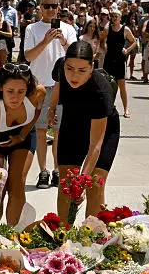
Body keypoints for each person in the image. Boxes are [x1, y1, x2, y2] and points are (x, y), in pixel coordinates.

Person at [47, 42, 119, 221]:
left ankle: (93, 237)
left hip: (104, 131)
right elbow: (58, 84)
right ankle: (63, 235)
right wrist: (51, 108)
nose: (74, 75)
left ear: (92, 66)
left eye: (82, 70)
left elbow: (95, 145)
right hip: (72, 124)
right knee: (66, 183)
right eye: (70, 68)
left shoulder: (101, 91)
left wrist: (83, 180)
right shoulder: (61, 69)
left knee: (94, 183)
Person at [0, 64, 46, 224]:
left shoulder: (38, 92)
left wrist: (22, 135)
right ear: (1, 88)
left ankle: (12, 232)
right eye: (10, 91)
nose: (15, 97)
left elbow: (36, 112)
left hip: (24, 136)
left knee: (17, 182)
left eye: (21, 92)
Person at [22, 0, 78, 190]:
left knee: (59, 131)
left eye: (54, 6)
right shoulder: (32, 29)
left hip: (61, 85)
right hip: (38, 85)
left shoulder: (68, 29)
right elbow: (28, 56)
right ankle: (43, 171)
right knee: (40, 130)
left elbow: (74, 55)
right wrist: (46, 40)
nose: (51, 10)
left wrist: (62, 40)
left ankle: (57, 170)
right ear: (40, 7)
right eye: (47, 6)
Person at [101, 10, 137, 117]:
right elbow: (102, 38)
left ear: (120, 17)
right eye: (113, 16)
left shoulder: (125, 29)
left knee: (122, 85)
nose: (115, 18)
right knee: (107, 84)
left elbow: (134, 42)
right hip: (109, 59)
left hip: (120, 59)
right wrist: (104, 49)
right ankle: (108, 107)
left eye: (117, 16)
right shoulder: (108, 29)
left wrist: (127, 50)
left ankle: (126, 109)